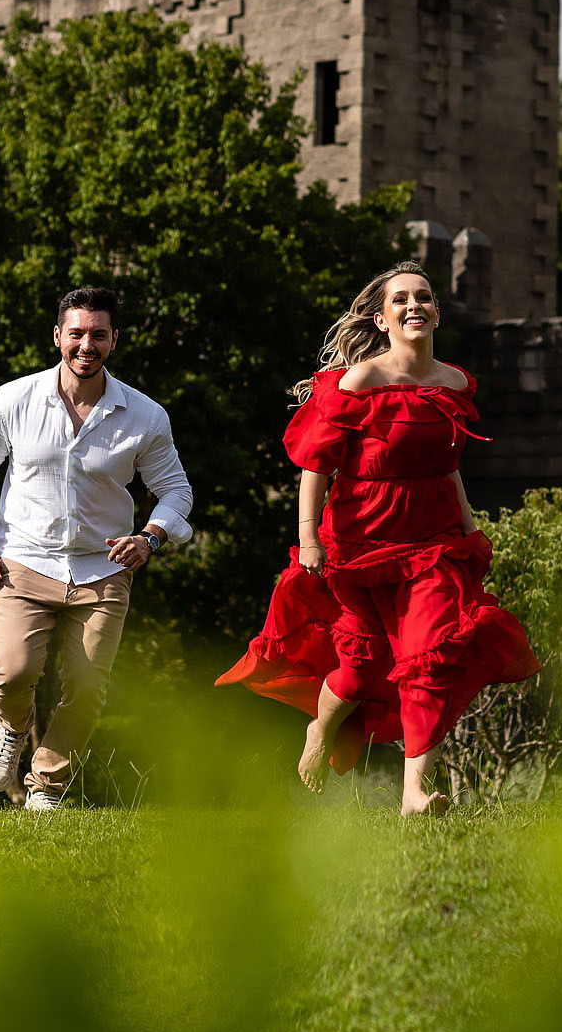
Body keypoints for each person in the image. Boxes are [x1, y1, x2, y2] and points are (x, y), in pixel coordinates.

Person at [217, 260, 538, 816]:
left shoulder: (456, 383)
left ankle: (414, 795)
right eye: (402, 300)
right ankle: (321, 731)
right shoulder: (358, 382)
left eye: (425, 298)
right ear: (381, 317)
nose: (415, 306)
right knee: (361, 666)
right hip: (359, 538)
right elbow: (315, 467)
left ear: (437, 312)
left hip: (432, 539)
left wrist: (468, 524)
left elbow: (448, 464)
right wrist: (309, 539)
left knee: (430, 657)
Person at [0, 285, 193, 812]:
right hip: (23, 560)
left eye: (98, 335)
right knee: (14, 673)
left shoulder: (145, 416)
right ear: (58, 336)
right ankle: (13, 729)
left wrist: (150, 537)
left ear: (113, 341)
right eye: (76, 333)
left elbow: (176, 489)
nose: (87, 345)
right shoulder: (14, 400)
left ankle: (47, 787)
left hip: (102, 569)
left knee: (86, 685)